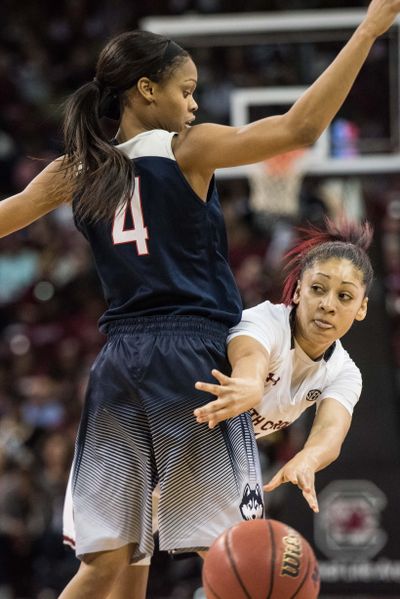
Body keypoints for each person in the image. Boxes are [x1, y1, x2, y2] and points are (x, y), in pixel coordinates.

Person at [0, 2, 399, 597]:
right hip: (192, 355)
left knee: (110, 565)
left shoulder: (75, 168)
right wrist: (369, 28)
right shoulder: (186, 147)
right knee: (236, 557)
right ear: (145, 90)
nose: (192, 104)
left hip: (118, 365)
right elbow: (299, 129)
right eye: (186, 91)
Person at [194, 218, 372, 515]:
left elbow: (331, 429)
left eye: (344, 296)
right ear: (299, 291)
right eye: (318, 289)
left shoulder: (345, 372)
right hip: (168, 430)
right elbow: (250, 357)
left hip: (212, 456)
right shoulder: (266, 322)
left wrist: (309, 459)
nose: (328, 305)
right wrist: (250, 383)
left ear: (361, 307)